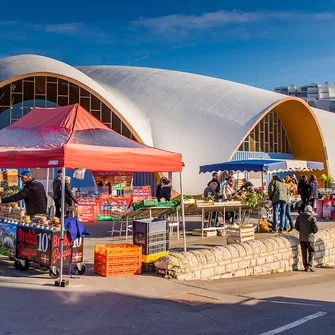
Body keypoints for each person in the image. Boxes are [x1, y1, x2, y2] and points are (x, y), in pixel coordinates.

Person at [295, 205, 319, 272]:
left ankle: (305, 266)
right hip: (310, 237)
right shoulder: (312, 218)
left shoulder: (299, 217)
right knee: (311, 251)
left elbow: (296, 226)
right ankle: (309, 266)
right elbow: (316, 229)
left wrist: (301, 231)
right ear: (311, 211)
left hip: (302, 237)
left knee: (304, 252)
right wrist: (312, 232)